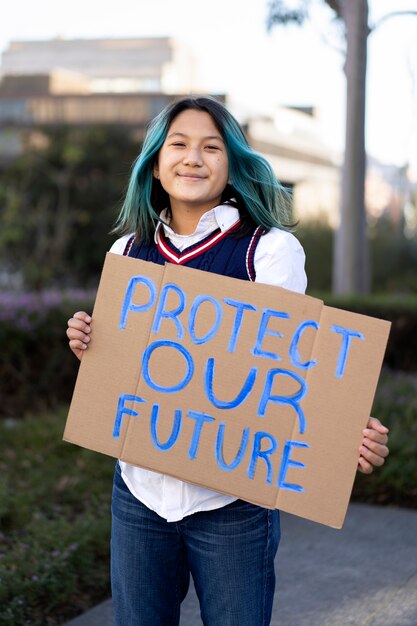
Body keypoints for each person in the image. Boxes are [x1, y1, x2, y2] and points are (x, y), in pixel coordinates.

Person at [66, 96, 389, 626]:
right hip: (139, 492)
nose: (194, 157)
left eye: (211, 147)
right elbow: (134, 371)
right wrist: (91, 345)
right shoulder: (127, 252)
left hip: (233, 505)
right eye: (179, 144)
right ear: (154, 163)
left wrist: (339, 431)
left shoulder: (270, 250)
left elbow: (289, 370)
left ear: (233, 165)